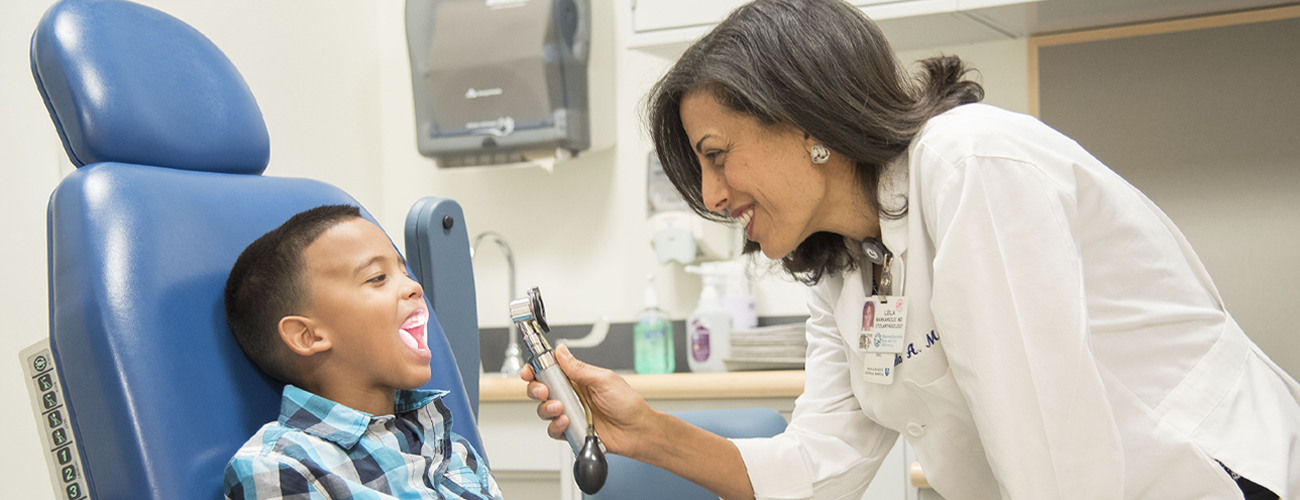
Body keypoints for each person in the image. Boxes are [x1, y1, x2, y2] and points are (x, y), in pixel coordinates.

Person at [524, 0, 1300, 499]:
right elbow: (819, 470)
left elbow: (1059, 460)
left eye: (717, 154)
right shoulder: (841, 271)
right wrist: (645, 431)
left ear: (807, 121)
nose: (713, 196)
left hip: (1218, 480)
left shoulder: (970, 167)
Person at [222, 205, 502, 500]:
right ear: (308, 336)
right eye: (377, 277)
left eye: (404, 272)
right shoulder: (282, 466)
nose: (414, 286)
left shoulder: (456, 452)